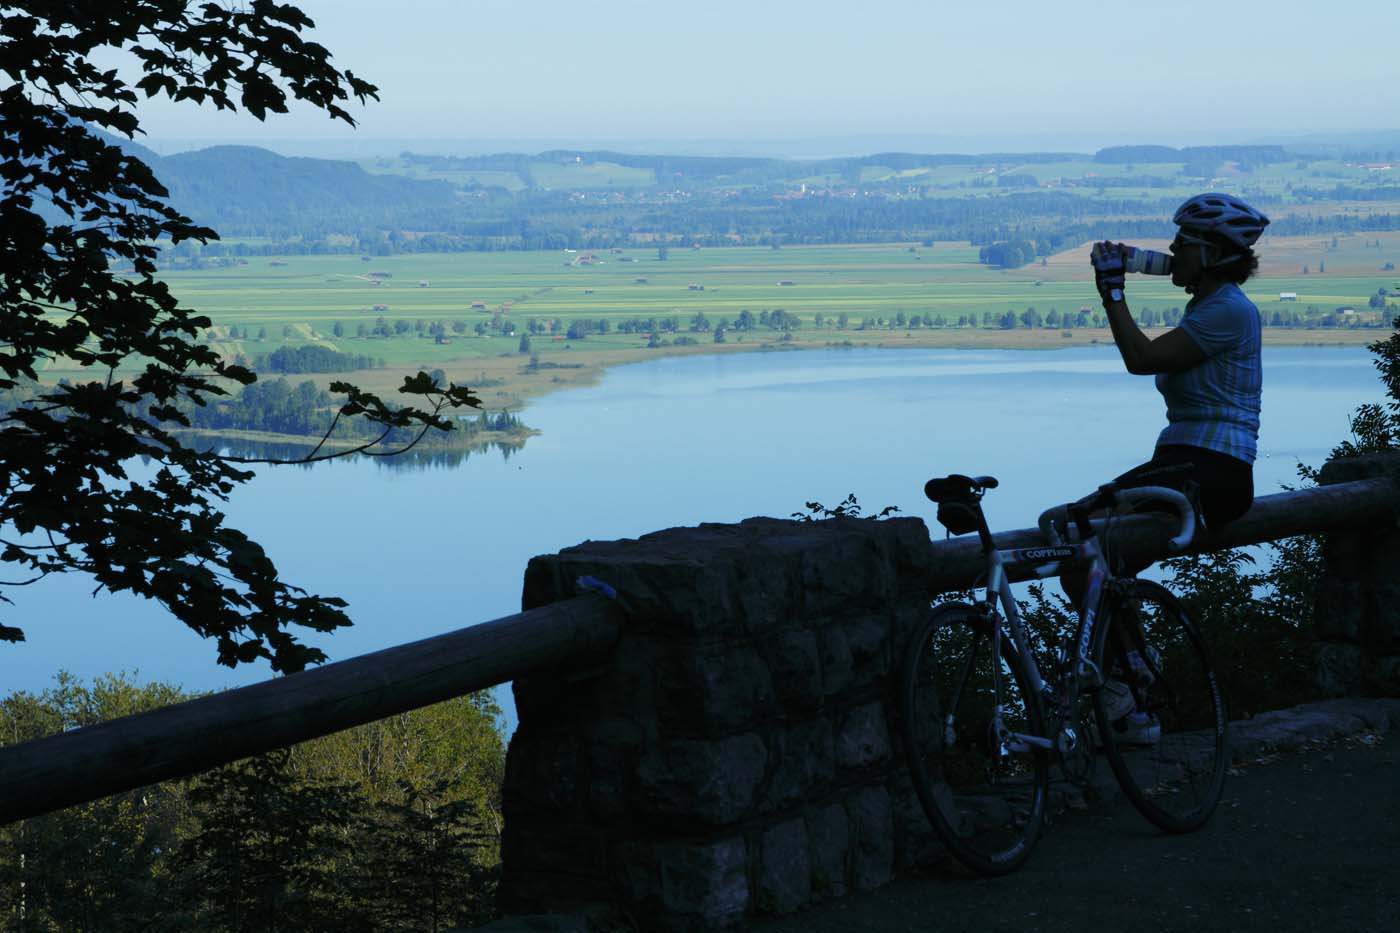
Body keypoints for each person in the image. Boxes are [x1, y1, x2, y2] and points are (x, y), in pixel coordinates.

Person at [1079, 192, 1269, 744]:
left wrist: (1113, 292)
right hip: (1185, 462)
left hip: (1211, 468)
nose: (1171, 250)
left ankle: (1130, 679)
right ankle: (1133, 673)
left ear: (1210, 255)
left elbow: (1141, 359)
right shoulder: (1209, 306)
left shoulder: (1230, 310)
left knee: (1075, 532)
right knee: (1077, 539)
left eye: (1183, 244)